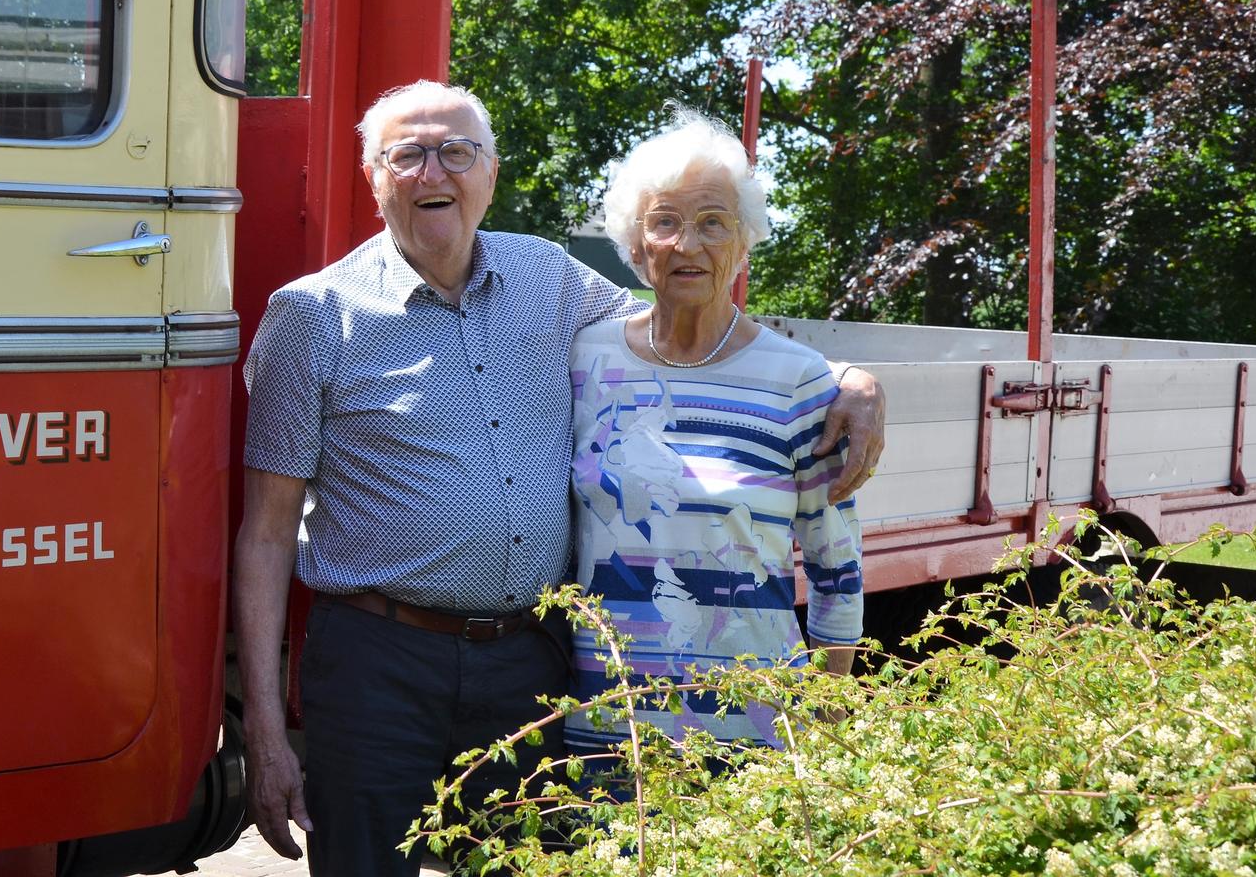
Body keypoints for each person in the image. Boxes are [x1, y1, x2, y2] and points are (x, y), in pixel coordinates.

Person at [233, 81, 883, 875]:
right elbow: (265, 533)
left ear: (491, 173)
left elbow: (685, 320)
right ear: (373, 177)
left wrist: (849, 379)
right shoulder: (311, 316)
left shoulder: (550, 280)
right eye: (407, 154)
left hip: (528, 668)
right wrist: (264, 728)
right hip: (377, 663)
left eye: (458, 152)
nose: (434, 171)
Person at [564, 106, 864, 775]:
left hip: (753, 731)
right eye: (665, 221)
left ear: (744, 241)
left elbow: (837, 570)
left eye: (712, 222)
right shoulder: (586, 360)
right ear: (636, 244)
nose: (687, 244)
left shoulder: (799, 380)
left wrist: (826, 718)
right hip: (607, 724)